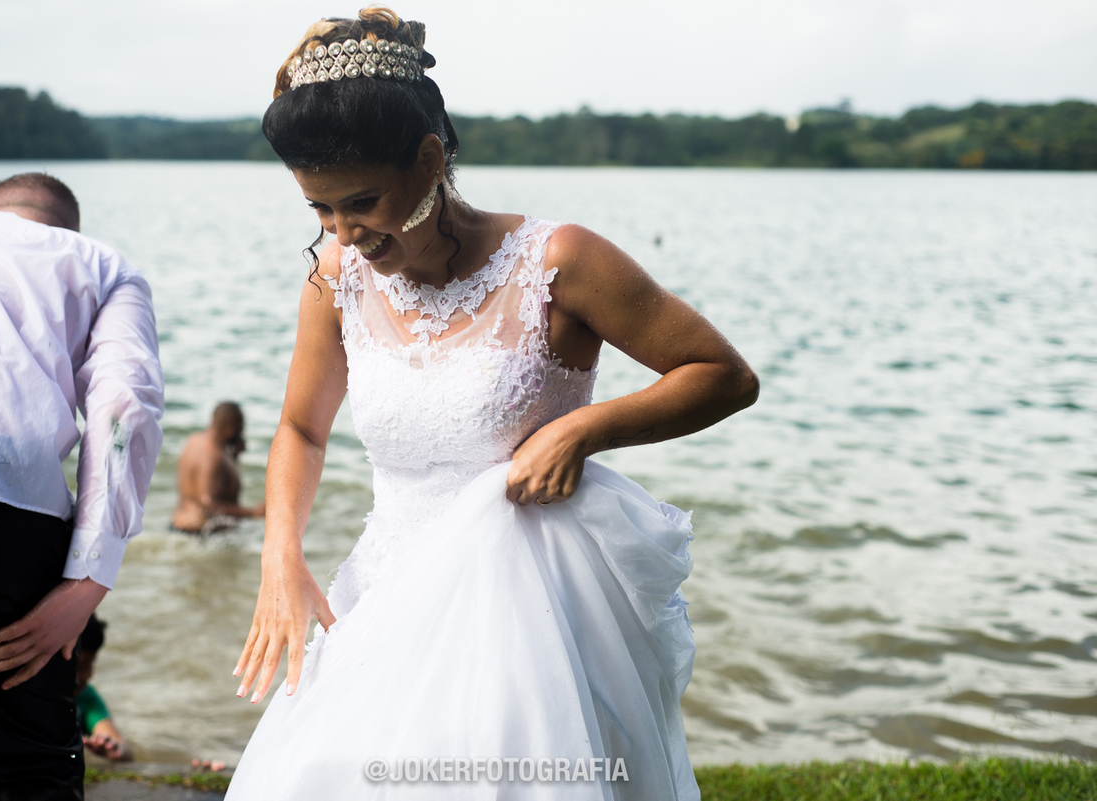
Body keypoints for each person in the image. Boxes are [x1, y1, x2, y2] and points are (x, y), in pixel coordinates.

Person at [227, 7, 758, 799]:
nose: (345, 231)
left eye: (362, 202)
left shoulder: (559, 261)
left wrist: (585, 428)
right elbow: (302, 428)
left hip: (530, 609)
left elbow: (721, 372)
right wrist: (282, 554)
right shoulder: (334, 276)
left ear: (431, 157)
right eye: (321, 209)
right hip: (389, 589)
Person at [0, 173, 164, 800]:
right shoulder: (102, 263)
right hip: (5, 509)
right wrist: (87, 580)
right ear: (66, 226)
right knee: (25, 774)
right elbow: (124, 408)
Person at [0, 615, 134, 763]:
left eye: (89, 664)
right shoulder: (14, 688)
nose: (86, 675)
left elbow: (122, 746)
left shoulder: (85, 699)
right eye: (78, 666)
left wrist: (111, 747)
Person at [172, 402, 265, 532]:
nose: (241, 433)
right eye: (240, 428)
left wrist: (234, 456)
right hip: (200, 535)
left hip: (179, 525)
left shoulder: (194, 440)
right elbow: (207, 505)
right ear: (230, 426)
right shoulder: (214, 457)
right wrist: (254, 512)